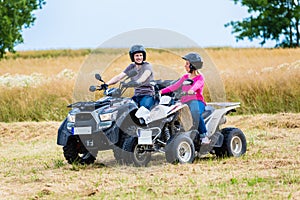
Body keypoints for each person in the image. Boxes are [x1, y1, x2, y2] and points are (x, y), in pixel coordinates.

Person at [160, 52, 210, 144]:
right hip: (184, 101)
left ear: (193, 65)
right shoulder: (185, 77)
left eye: (187, 64)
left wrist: (191, 90)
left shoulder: (200, 78)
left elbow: (197, 85)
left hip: (197, 101)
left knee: (196, 113)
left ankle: (204, 135)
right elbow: (174, 86)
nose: (185, 66)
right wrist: (161, 91)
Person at [105, 44, 155, 110]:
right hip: (137, 95)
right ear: (132, 57)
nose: (139, 57)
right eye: (137, 55)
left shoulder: (147, 66)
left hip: (148, 95)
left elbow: (144, 77)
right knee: (126, 110)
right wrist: (106, 84)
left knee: (143, 110)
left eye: (141, 55)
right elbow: (119, 76)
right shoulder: (131, 66)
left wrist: (136, 82)